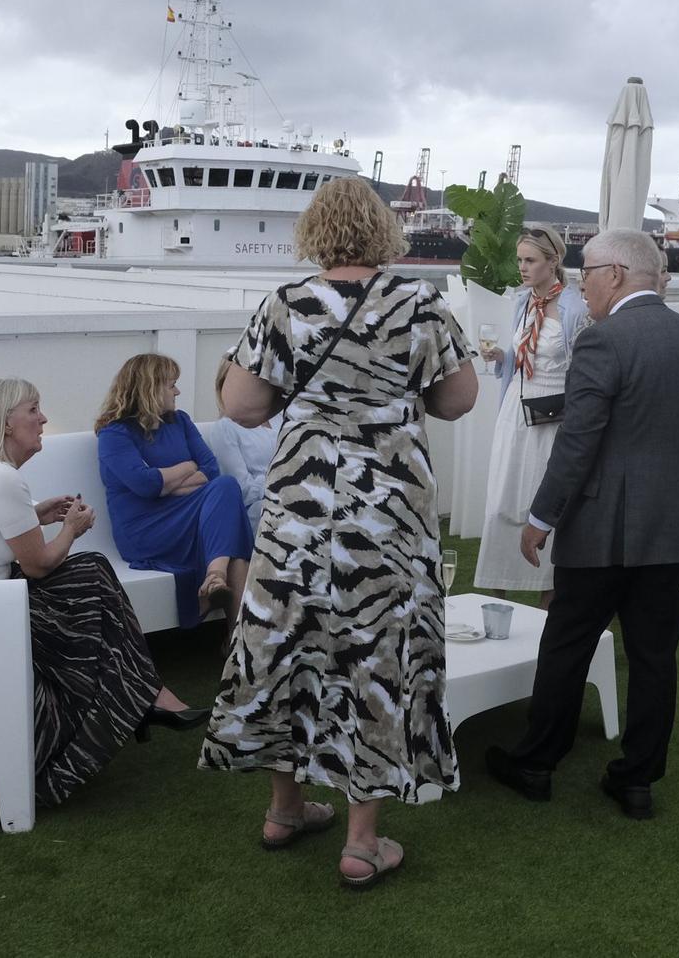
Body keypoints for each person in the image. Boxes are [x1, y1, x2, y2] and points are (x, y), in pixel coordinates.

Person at [202, 176, 478, 889]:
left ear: (315, 233)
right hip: (387, 508)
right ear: (383, 231)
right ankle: (362, 841)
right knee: (376, 647)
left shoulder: (285, 305)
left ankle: (284, 808)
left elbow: (243, 406)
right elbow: (457, 400)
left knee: (287, 637)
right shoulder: (420, 304)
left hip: (302, 501)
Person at [482, 229, 679, 821]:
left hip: (600, 525)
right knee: (654, 657)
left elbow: (577, 442)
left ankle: (536, 763)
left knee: (566, 645)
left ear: (615, 274)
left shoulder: (604, 342)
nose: (582, 281)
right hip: (672, 522)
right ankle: (637, 779)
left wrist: (541, 517)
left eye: (588, 270)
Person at [0, 376, 208, 808]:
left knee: (91, 575)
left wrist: (38, 513)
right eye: (33, 409)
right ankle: (145, 694)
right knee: (90, 573)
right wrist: (71, 529)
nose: (43, 418)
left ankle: (146, 693)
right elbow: (38, 565)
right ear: (6, 422)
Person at [473, 225, 589, 606]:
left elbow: (581, 369)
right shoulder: (523, 302)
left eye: (530, 260)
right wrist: (501, 358)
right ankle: (497, 596)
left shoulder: (575, 308)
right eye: (520, 259)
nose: (522, 267)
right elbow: (520, 359)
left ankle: (547, 601)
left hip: (552, 417)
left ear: (553, 261)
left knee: (543, 500)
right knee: (502, 499)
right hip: (514, 412)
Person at [95, 354, 253, 631]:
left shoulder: (180, 421)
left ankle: (217, 583)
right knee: (232, 533)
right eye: (171, 385)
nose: (177, 391)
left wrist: (164, 484)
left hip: (186, 516)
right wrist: (187, 466)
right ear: (149, 388)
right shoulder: (114, 434)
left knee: (226, 487)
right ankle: (238, 639)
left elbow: (211, 470)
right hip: (145, 529)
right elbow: (144, 484)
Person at [210, 357, 282, 537]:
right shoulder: (225, 428)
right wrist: (278, 481)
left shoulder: (280, 419)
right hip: (259, 509)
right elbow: (242, 490)